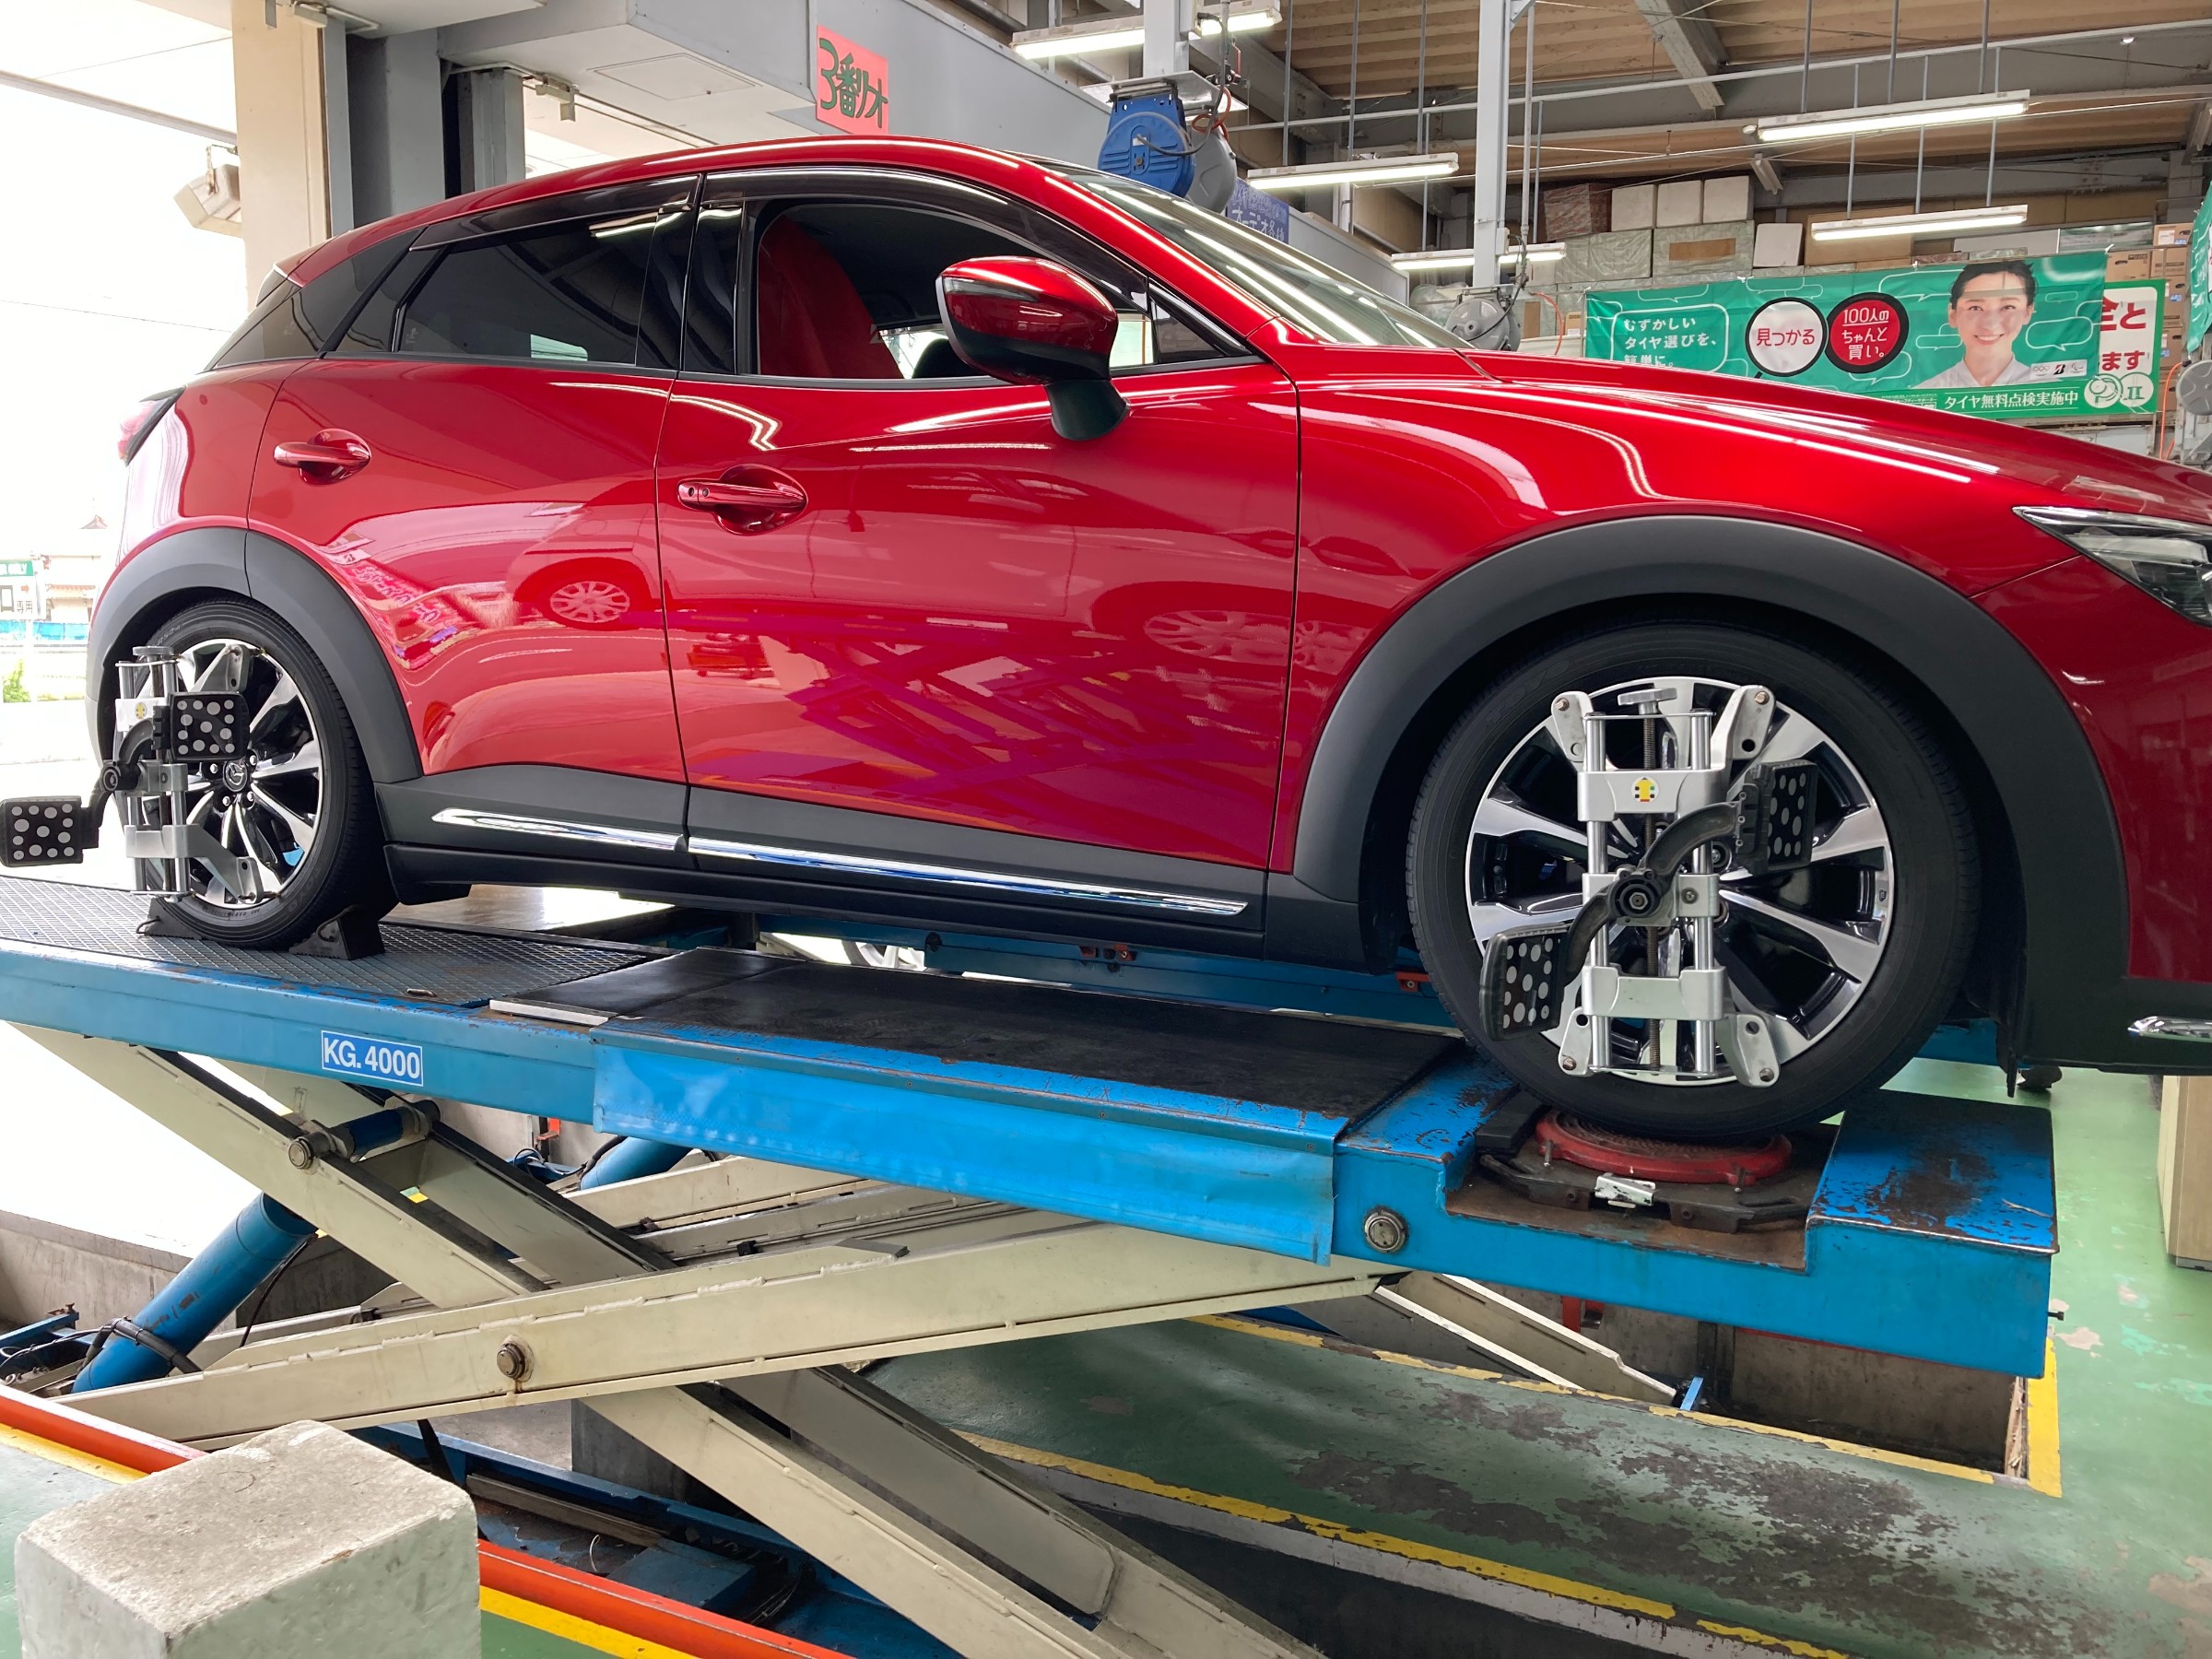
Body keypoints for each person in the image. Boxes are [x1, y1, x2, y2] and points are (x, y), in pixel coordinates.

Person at [1916, 261, 2043, 388]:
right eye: (1975, 308)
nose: (1990, 323)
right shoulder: (1926, 392)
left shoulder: (2046, 390)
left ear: (2028, 312)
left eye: (2008, 307)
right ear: (1952, 314)